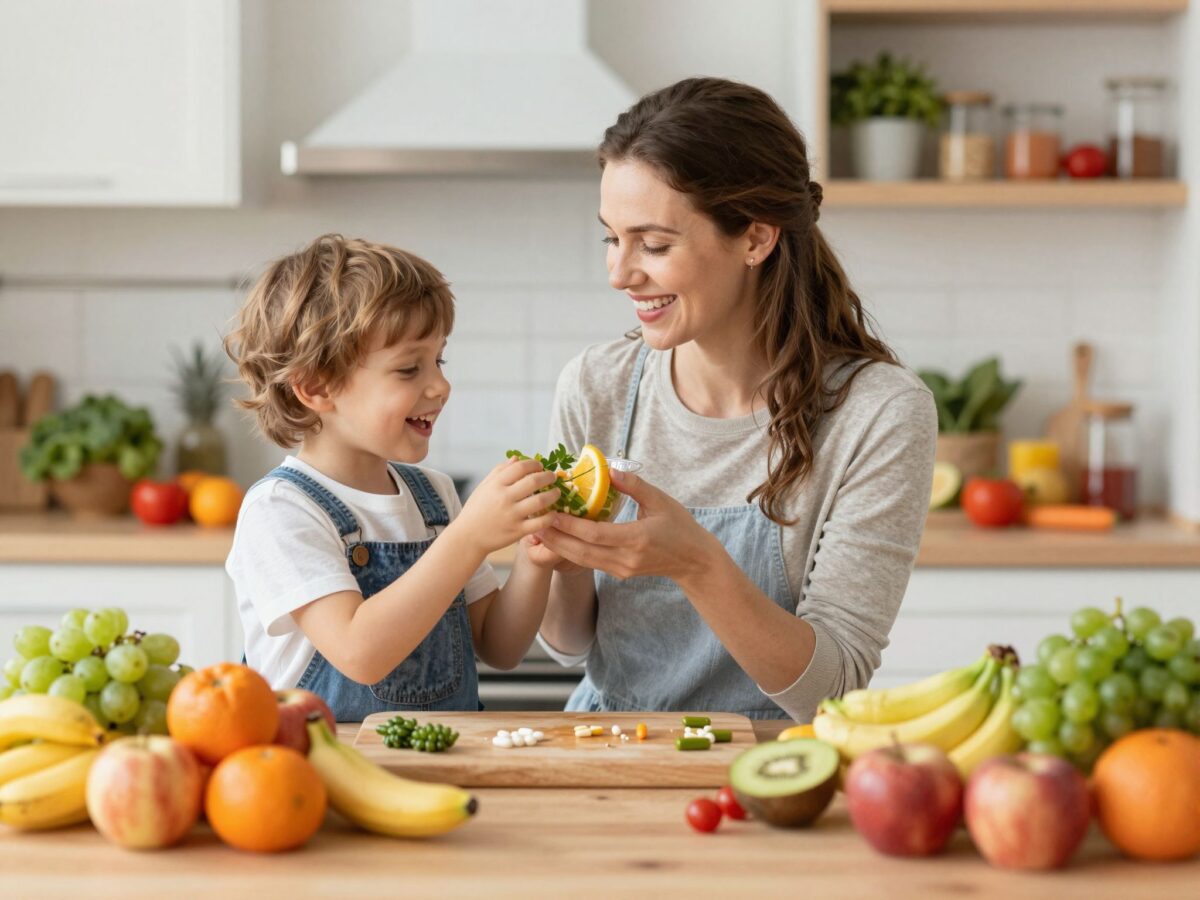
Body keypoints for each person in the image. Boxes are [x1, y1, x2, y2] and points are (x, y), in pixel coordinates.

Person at [529, 78, 938, 722]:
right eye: (612, 237)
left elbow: (830, 690)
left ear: (755, 238)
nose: (619, 272)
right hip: (613, 757)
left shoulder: (878, 414)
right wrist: (564, 557)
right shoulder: (596, 386)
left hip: (778, 773)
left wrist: (696, 564)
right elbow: (569, 644)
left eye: (655, 244)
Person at [223, 234, 559, 720]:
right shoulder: (281, 510)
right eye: (408, 369)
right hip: (330, 773)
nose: (440, 385)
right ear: (318, 386)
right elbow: (360, 652)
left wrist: (536, 554)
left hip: (444, 770)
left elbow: (501, 646)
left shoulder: (435, 496)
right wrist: (468, 539)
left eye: (439, 360)